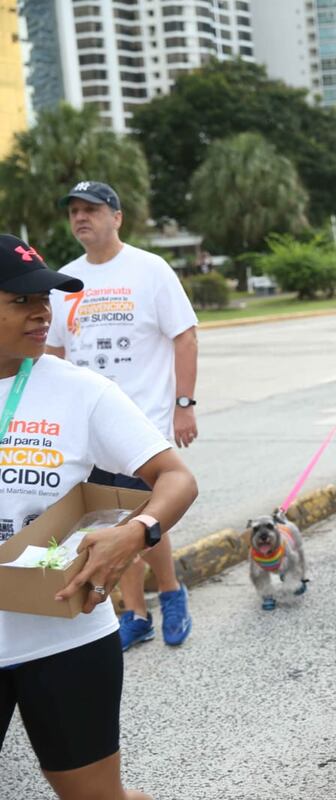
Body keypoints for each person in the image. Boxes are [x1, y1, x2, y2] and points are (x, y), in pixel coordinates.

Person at [0, 235, 198, 800]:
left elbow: (177, 478)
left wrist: (135, 532)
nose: (43, 313)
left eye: (46, 299)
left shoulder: (79, 391)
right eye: (21, 300)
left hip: (64, 639)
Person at [46, 180, 198, 652]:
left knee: (141, 515)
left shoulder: (149, 269)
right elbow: (52, 352)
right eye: (73, 210)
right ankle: (135, 612)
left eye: (91, 208)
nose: (80, 217)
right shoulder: (66, 280)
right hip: (82, 427)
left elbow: (185, 336)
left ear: (117, 216)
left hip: (142, 419)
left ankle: (169, 593)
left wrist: (184, 404)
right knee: (102, 523)